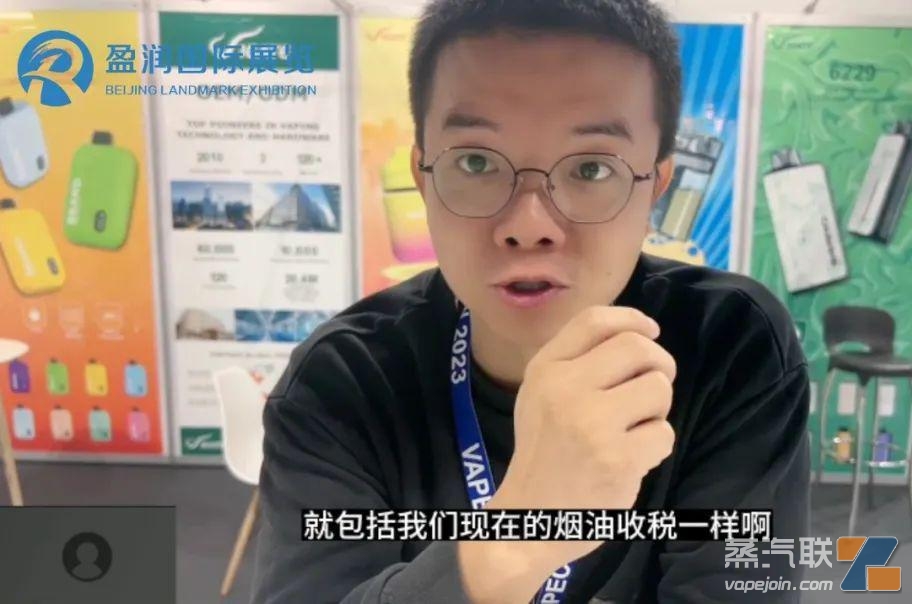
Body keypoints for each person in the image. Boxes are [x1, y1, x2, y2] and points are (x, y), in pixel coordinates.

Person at [251, 1, 810, 602]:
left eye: (592, 169)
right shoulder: (343, 381)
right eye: (476, 162)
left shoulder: (730, 348)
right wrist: (518, 538)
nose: (529, 226)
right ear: (423, 176)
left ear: (655, 187)